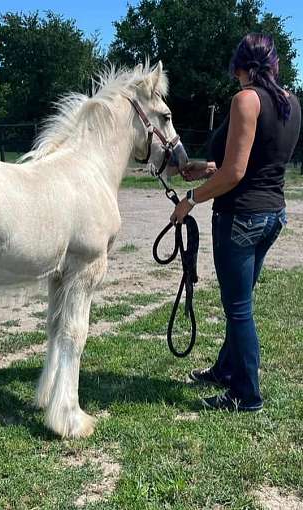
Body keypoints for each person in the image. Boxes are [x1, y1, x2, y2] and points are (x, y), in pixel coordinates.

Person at [170, 33, 301, 411]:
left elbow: (236, 174)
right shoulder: (289, 102)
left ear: (240, 66)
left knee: (238, 307)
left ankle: (247, 394)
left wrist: (189, 200)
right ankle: (227, 370)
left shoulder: (246, 99)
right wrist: (206, 168)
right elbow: (257, 161)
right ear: (274, 63)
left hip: (241, 216)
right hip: (273, 213)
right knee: (240, 301)